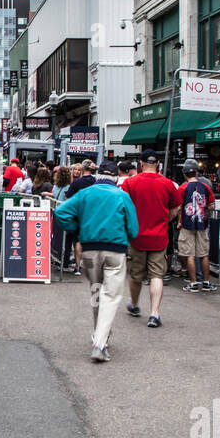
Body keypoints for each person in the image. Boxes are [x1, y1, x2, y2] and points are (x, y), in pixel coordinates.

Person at [54, 161, 139, 361]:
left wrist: (77, 228)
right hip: (115, 250)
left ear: (97, 175)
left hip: (90, 250)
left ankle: (99, 333)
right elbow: (134, 230)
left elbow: (60, 212)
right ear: (116, 177)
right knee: (110, 295)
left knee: (96, 291)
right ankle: (100, 344)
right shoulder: (122, 196)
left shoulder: (85, 194)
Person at [121, 150, 179, 328]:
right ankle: (154, 313)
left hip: (136, 236)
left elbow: (122, 206)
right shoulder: (167, 184)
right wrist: (165, 220)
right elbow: (176, 207)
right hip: (159, 237)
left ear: (141, 164)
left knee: (136, 275)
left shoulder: (130, 183)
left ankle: (135, 304)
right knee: (157, 275)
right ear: (158, 164)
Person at [177, 160, 215, 292]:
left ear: (184, 174)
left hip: (187, 224)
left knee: (190, 255)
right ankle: (206, 282)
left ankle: (193, 283)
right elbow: (211, 205)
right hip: (202, 224)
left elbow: (178, 206)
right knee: (204, 254)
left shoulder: (182, 188)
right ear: (196, 172)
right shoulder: (206, 187)